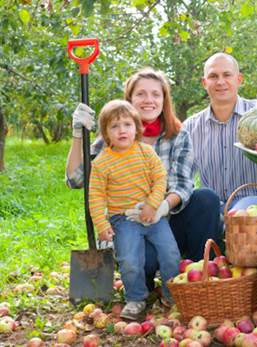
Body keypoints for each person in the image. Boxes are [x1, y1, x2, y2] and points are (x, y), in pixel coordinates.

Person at [66, 68, 222, 295]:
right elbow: (75, 180)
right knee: (142, 259)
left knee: (206, 198)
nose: (149, 100)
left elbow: (183, 184)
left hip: (168, 224)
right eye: (141, 94)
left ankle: (196, 282)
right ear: (129, 100)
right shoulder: (112, 140)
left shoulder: (178, 135)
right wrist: (78, 135)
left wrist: (161, 207)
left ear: (164, 100)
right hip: (130, 227)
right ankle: (142, 282)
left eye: (155, 94)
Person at [88, 100, 180, 320]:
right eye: (114, 126)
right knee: (130, 259)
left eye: (127, 125)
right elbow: (96, 196)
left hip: (152, 216)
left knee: (170, 253)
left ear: (137, 128)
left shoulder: (146, 152)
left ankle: (173, 296)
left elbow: (160, 179)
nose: (122, 130)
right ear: (105, 133)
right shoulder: (102, 163)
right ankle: (136, 298)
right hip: (123, 219)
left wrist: (153, 204)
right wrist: (101, 224)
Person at [183, 53, 257, 213]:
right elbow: (184, 177)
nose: (220, 82)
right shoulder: (191, 127)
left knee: (238, 216)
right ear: (204, 82)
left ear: (239, 79)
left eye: (227, 75)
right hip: (214, 206)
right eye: (213, 76)